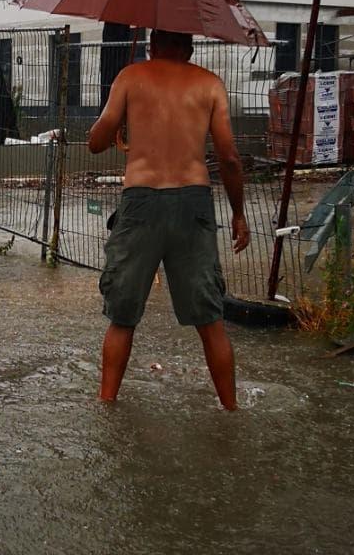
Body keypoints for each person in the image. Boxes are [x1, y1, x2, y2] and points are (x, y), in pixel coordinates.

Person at [87, 29, 249, 409]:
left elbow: (95, 142)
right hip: (193, 202)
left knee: (122, 316)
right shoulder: (210, 84)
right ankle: (230, 408)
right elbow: (228, 157)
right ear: (190, 48)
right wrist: (238, 213)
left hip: (141, 201)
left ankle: (107, 405)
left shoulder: (130, 77)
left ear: (151, 45)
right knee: (210, 319)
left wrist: (117, 125)